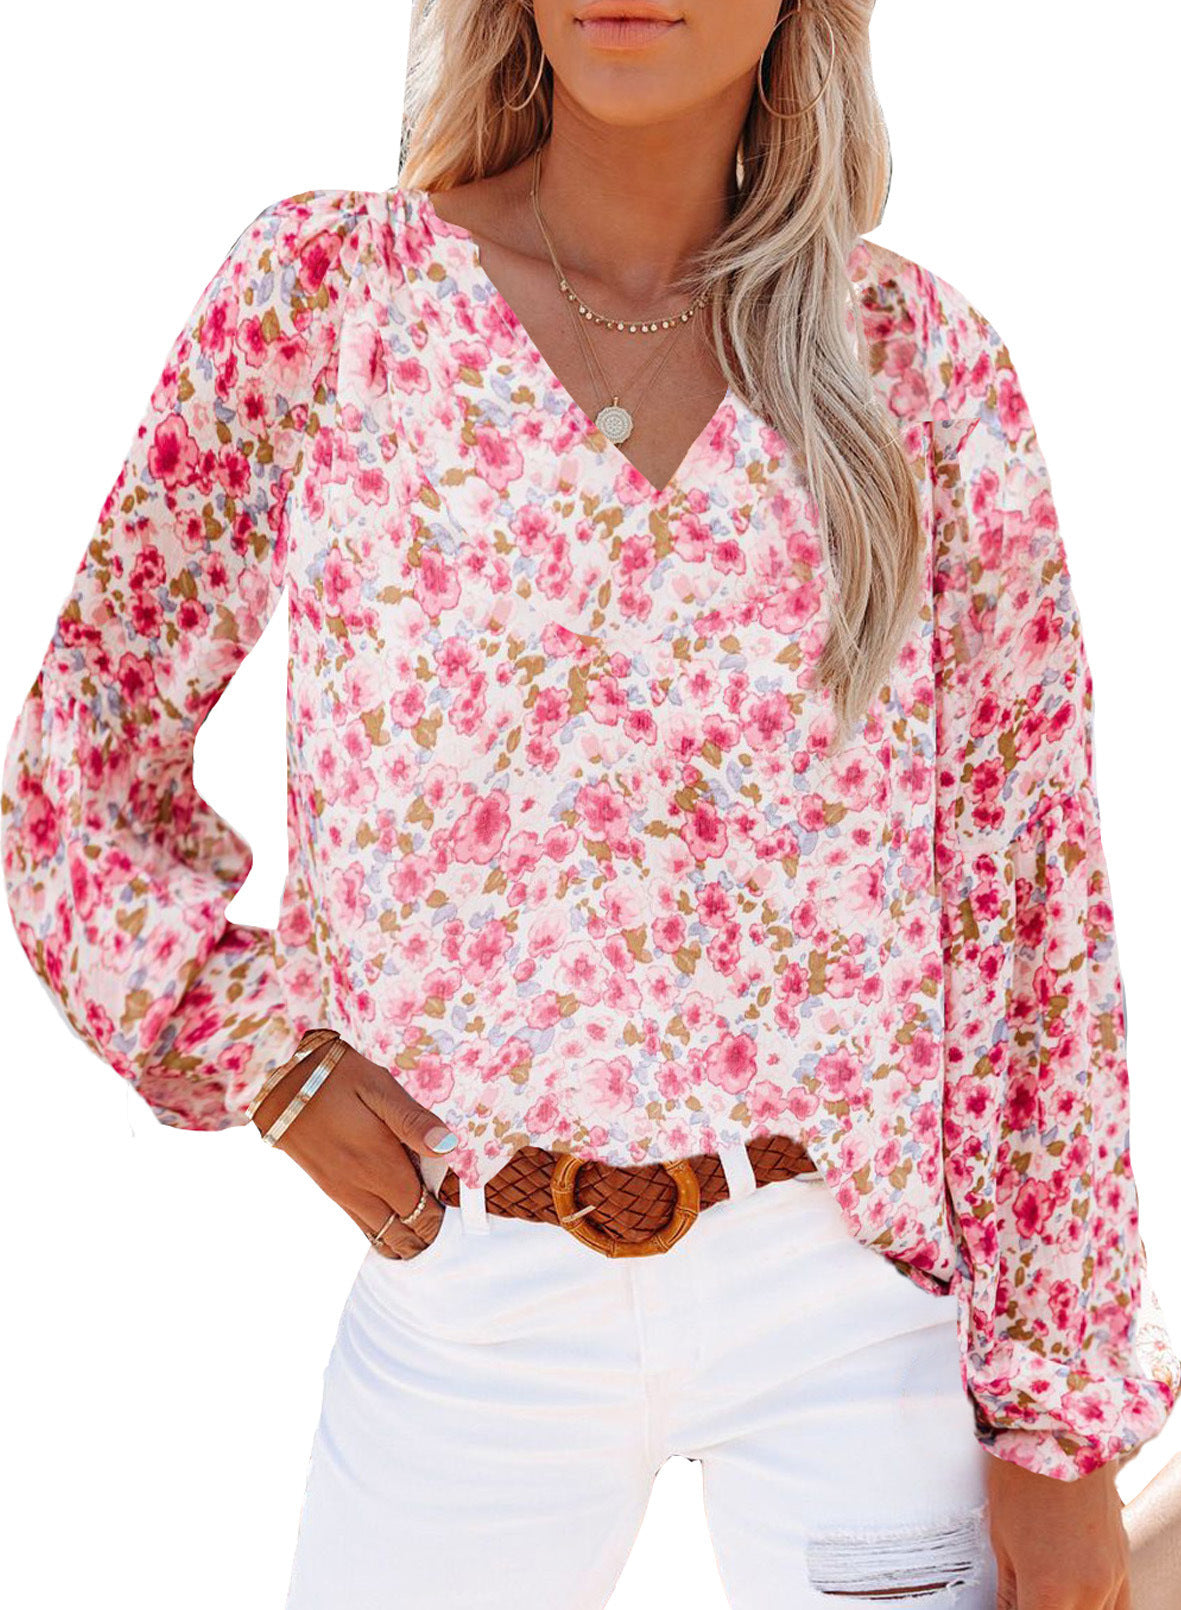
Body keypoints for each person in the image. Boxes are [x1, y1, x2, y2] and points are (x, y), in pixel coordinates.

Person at [2, 2, 1177, 1605]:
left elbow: (1030, 913)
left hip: (850, 1304)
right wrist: (261, 1051)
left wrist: (1057, 1421)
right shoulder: (331, 298)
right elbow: (78, 758)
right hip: (467, 1294)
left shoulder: (916, 365)